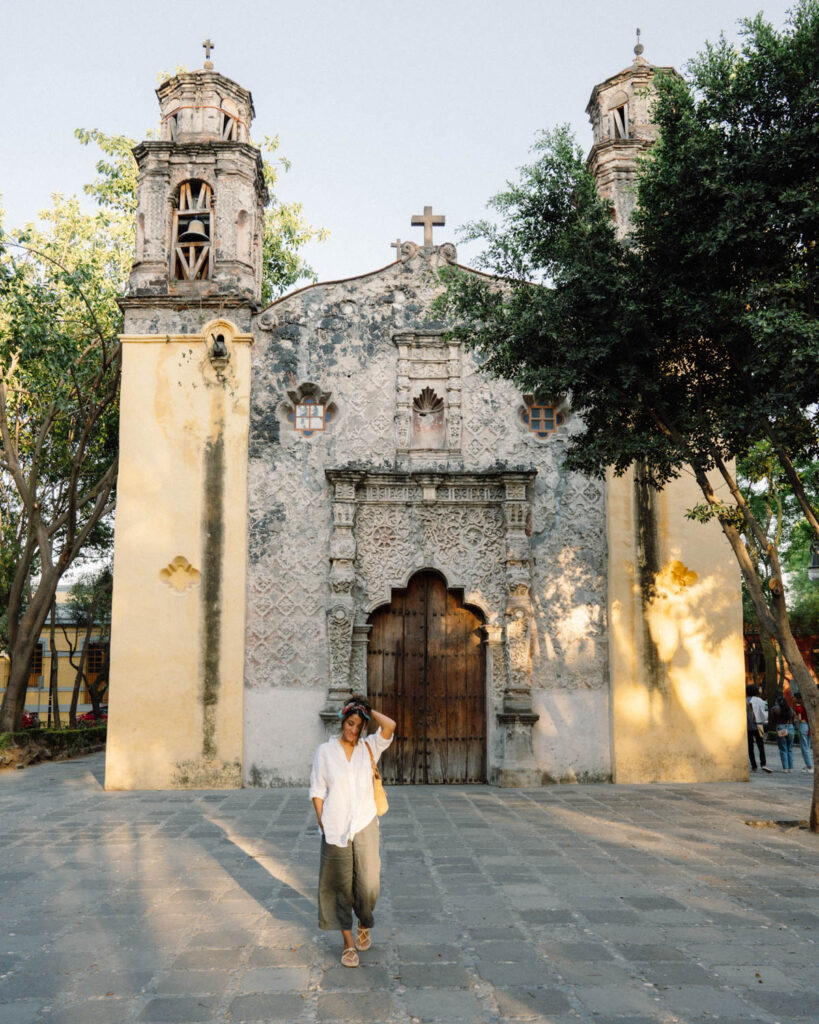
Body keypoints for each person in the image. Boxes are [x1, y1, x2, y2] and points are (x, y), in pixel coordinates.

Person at [309, 694, 396, 968]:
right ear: (342, 722)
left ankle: (364, 923)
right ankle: (348, 943)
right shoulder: (325, 751)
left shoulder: (369, 748)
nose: (353, 730)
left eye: (358, 725)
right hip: (335, 826)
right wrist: (322, 820)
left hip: (365, 822)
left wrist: (368, 709)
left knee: (368, 883)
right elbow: (318, 788)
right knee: (338, 886)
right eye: (350, 723)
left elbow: (390, 726)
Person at [745, 684, 772, 773]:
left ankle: (754, 766)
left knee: (750, 747)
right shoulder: (762, 701)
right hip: (759, 726)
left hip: (748, 727)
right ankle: (763, 764)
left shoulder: (745, 702)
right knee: (761, 746)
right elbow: (765, 714)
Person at [770, 696, 795, 772]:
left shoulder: (775, 709)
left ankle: (785, 768)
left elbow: (773, 720)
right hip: (790, 727)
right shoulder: (790, 709)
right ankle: (791, 768)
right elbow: (793, 719)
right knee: (790, 749)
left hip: (780, 727)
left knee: (783, 749)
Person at [793, 693, 814, 774]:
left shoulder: (798, 707)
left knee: (804, 748)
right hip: (809, 726)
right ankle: (808, 764)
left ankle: (809, 766)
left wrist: (796, 717)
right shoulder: (806, 705)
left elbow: (800, 719)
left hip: (803, 725)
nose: (792, 698)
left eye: (794, 697)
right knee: (807, 747)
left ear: (797, 698)